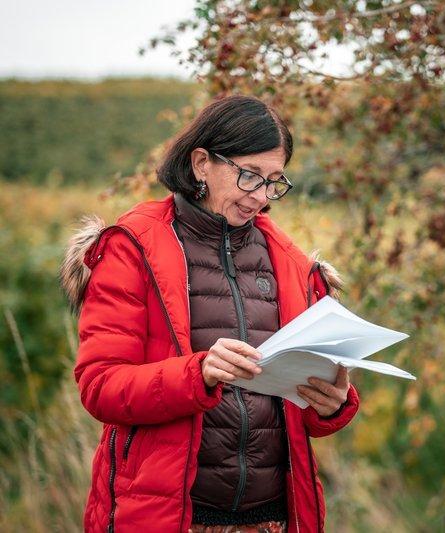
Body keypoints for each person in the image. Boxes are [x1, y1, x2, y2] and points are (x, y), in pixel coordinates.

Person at [60, 95, 360, 533]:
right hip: (170, 518)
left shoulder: (290, 264)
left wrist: (330, 405)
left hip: (271, 521)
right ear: (202, 163)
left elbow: (297, 419)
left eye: (274, 181)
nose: (260, 196)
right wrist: (197, 374)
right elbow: (101, 386)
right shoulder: (134, 248)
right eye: (249, 175)